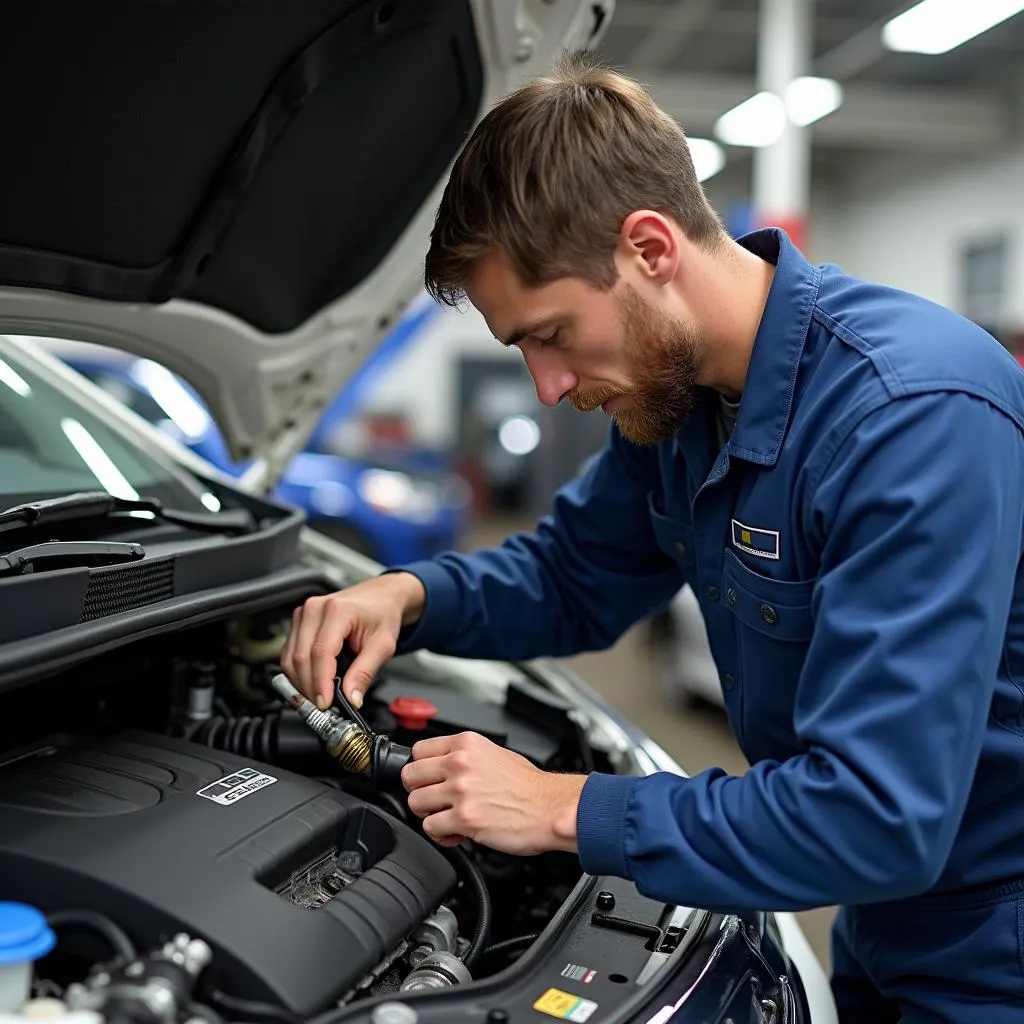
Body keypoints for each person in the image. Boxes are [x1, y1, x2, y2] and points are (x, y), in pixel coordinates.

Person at [281, 51, 1024, 1023]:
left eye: (550, 333)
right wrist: (409, 597)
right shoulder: (674, 407)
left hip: (994, 936)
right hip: (882, 919)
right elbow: (570, 575)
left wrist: (559, 806)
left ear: (649, 248)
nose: (546, 387)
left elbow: (875, 816)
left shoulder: (910, 415)